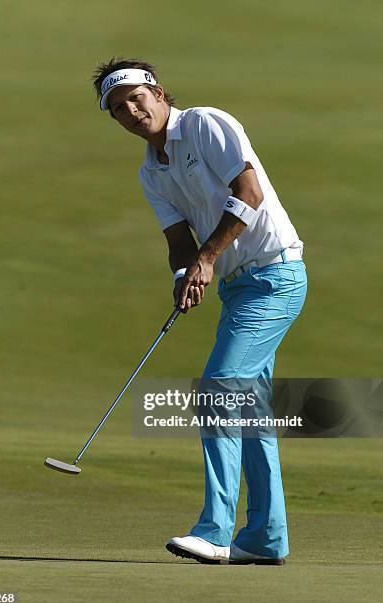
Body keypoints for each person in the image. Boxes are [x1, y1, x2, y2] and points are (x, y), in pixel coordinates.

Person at [92, 57, 307, 565]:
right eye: (119, 109)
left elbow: (248, 193)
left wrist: (207, 259)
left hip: (275, 275)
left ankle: (214, 529)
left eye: (136, 98)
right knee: (250, 411)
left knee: (218, 388)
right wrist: (183, 274)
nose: (132, 111)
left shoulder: (206, 123)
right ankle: (264, 538)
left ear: (159, 92)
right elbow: (177, 242)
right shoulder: (151, 172)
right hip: (239, 290)